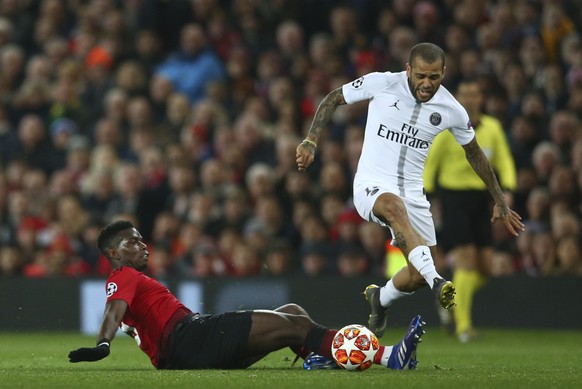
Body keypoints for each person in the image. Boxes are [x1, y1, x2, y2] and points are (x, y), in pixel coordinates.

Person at [295, 42, 524, 337]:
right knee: (393, 208)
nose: (426, 84)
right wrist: (311, 140)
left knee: (414, 276)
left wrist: (500, 199)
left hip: (414, 195)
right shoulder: (382, 83)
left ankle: (381, 298)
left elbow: (476, 154)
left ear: (443, 73)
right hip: (371, 184)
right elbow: (333, 98)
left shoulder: (452, 108)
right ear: (408, 70)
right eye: (420, 76)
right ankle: (438, 281)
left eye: (433, 77)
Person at [68, 220, 425, 370]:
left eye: (142, 238)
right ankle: (389, 357)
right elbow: (114, 312)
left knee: (292, 311)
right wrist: (103, 345)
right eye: (133, 242)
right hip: (191, 337)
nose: (143, 245)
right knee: (296, 324)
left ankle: (319, 357)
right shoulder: (123, 276)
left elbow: (130, 324)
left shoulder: (131, 282)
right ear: (115, 253)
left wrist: (130, 334)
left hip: (189, 346)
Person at [423, 79, 517, 342]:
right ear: (457, 98)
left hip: (481, 199)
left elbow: (504, 160)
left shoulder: (493, 128)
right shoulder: (445, 129)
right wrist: (428, 198)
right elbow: (431, 165)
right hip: (453, 198)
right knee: (465, 259)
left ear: (481, 98)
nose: (470, 98)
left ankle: (450, 302)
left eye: (475, 94)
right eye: (465, 93)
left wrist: (507, 189)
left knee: (486, 268)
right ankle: (464, 327)